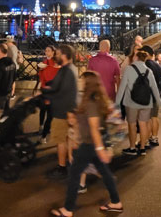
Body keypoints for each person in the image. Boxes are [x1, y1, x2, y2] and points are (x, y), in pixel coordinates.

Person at [50, 71, 123, 217]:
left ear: (87, 83)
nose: (80, 82)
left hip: (91, 145)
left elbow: (94, 128)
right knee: (105, 173)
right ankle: (116, 203)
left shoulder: (91, 103)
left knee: (74, 174)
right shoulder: (95, 100)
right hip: (92, 144)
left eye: (82, 80)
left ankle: (68, 209)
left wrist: (100, 148)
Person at [115, 50, 161, 156]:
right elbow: (154, 88)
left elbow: (122, 88)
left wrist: (117, 103)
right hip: (146, 102)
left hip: (131, 102)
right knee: (143, 124)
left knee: (132, 125)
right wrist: (158, 101)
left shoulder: (128, 69)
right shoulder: (149, 71)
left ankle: (132, 148)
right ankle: (142, 148)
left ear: (135, 58)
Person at [42, 44, 79, 179]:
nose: (56, 56)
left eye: (57, 54)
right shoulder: (70, 69)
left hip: (62, 112)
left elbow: (65, 91)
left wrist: (45, 92)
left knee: (61, 140)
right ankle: (70, 165)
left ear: (64, 55)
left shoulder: (66, 71)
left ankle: (62, 167)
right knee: (69, 140)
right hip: (67, 111)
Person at [37, 45, 60, 142]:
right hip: (44, 89)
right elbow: (41, 76)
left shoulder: (56, 63)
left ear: (53, 52)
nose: (47, 52)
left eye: (49, 51)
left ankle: (45, 132)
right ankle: (41, 125)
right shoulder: (44, 62)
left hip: (52, 91)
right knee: (43, 109)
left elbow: (57, 74)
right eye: (46, 51)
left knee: (50, 112)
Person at [143, 47, 161, 148]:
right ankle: (154, 137)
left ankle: (145, 140)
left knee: (147, 119)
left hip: (149, 94)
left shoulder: (146, 65)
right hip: (156, 93)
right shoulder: (157, 65)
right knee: (154, 117)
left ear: (146, 54)